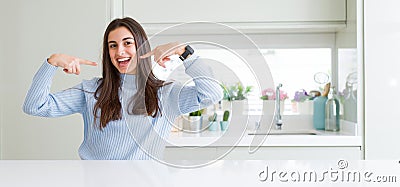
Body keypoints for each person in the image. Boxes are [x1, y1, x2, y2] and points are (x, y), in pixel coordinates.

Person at [22, 17, 223, 160]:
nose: (120, 51)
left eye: (128, 43)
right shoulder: (91, 90)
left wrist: (183, 51)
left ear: (141, 46)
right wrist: (52, 63)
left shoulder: (165, 93)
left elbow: (212, 94)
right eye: (112, 45)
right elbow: (35, 106)